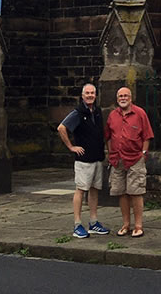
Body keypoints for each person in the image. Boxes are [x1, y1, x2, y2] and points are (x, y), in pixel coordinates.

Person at [57, 83, 110, 238]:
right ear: (82, 95)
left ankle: (93, 222)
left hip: (97, 157)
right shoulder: (78, 112)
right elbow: (61, 128)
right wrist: (71, 147)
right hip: (83, 160)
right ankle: (77, 224)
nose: (90, 95)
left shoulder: (97, 111)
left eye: (92, 93)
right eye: (87, 93)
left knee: (94, 190)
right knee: (81, 190)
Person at [105, 86, 153, 238]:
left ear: (131, 98)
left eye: (126, 95)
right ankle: (126, 224)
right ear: (117, 98)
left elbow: (147, 136)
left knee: (136, 192)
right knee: (121, 193)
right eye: (120, 96)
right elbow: (108, 136)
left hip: (135, 159)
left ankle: (138, 226)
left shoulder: (140, 113)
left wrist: (143, 153)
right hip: (117, 159)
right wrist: (111, 152)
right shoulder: (112, 115)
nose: (123, 98)